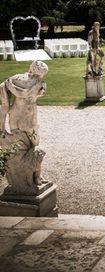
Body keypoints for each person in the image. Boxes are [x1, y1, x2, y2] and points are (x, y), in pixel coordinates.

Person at [0, 60, 48, 193]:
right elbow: (29, 94)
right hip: (29, 117)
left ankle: (30, 178)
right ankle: (35, 177)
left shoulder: (14, 79)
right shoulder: (39, 83)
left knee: (21, 146)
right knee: (35, 145)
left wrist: (11, 87)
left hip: (14, 117)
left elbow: (6, 92)